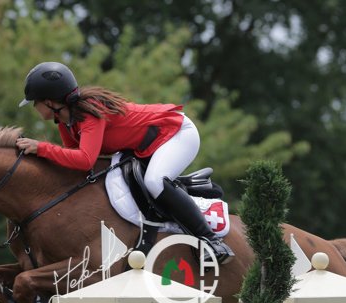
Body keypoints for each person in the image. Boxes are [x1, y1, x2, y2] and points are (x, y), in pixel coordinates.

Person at [15, 61, 234, 265]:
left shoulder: (89, 114)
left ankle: (211, 240)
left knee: (155, 182)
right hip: (147, 145)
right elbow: (71, 157)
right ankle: (187, 188)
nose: (34, 107)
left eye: (35, 102)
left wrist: (41, 148)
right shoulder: (66, 121)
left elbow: (85, 160)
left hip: (176, 133)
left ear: (50, 102)